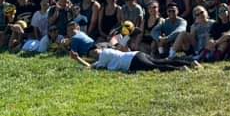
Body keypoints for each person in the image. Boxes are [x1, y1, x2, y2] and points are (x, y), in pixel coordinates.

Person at [69, 46, 199, 73]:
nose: (94, 54)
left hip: (132, 61)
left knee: (155, 66)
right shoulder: (104, 57)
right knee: (161, 61)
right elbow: (91, 65)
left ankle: (181, 68)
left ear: (99, 49)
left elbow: (90, 67)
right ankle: (189, 62)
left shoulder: (104, 54)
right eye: (92, 54)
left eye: (94, 51)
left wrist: (78, 59)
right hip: (136, 55)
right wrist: (78, 58)